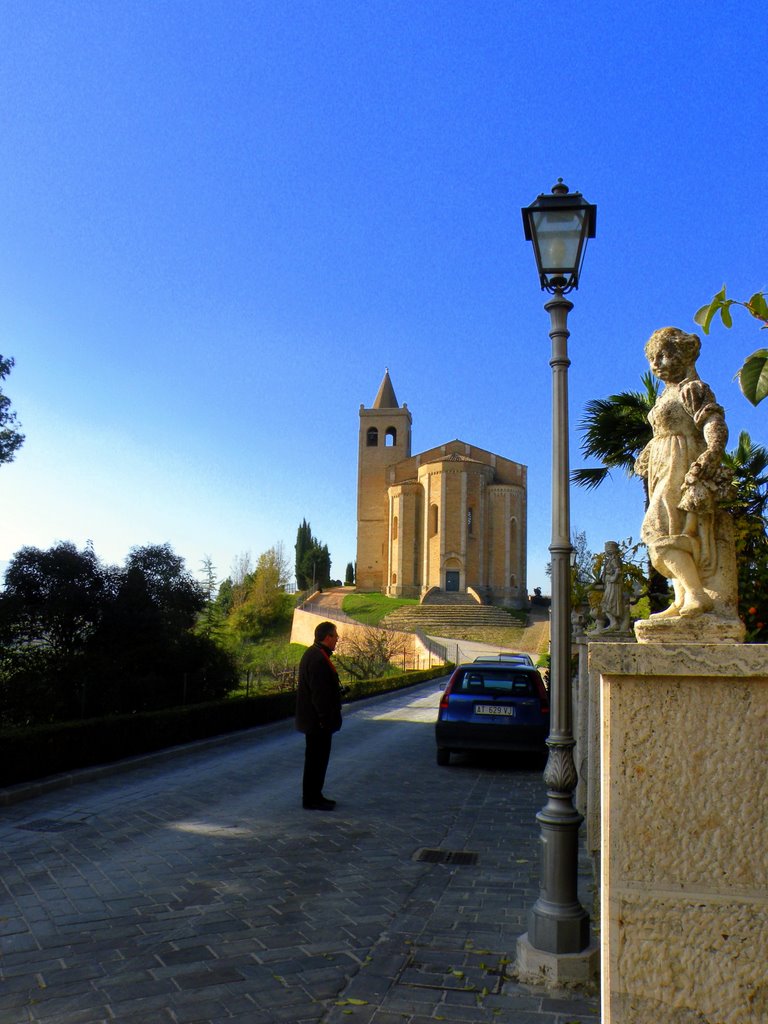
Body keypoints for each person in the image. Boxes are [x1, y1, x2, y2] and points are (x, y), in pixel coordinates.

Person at [635, 327, 731, 619]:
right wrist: (649, 452)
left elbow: (713, 421)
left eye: (664, 355)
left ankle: (698, 595)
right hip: (662, 466)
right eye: (653, 357)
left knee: (655, 531)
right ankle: (683, 598)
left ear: (683, 355)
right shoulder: (665, 396)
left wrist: (712, 454)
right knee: (670, 531)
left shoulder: (692, 388)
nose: (657, 363)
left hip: (682, 460)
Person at [295, 621, 342, 810]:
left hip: (316, 721)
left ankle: (315, 795)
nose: (337, 639)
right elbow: (318, 694)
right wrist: (324, 719)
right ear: (327, 637)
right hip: (317, 723)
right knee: (316, 760)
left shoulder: (316, 654)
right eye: (335, 636)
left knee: (318, 760)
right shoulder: (317, 658)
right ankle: (311, 798)